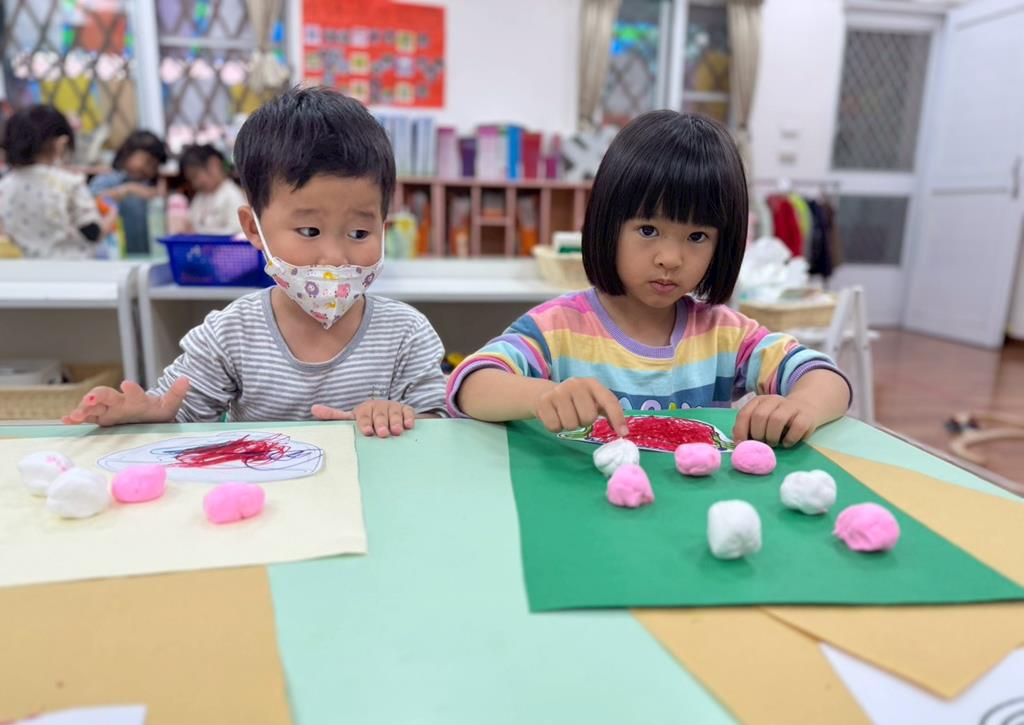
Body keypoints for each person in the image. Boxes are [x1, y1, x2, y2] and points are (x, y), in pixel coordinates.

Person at [448, 111, 851, 447]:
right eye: (648, 230)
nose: (670, 259)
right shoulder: (557, 330)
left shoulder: (726, 335)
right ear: (607, 224)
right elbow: (470, 384)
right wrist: (544, 395)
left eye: (697, 236)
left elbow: (824, 376)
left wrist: (802, 407)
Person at [64, 87, 448, 436]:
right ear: (253, 228)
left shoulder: (406, 334)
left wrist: (401, 417)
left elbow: (441, 425)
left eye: (360, 233)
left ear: (383, 227)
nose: (335, 257)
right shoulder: (231, 333)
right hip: (261, 488)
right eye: (310, 231)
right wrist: (147, 415)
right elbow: (178, 415)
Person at [0, 104, 115, 259]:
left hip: (26, 268)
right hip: (72, 267)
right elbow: (92, 232)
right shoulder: (68, 183)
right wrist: (111, 215)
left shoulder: (5, 186)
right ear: (61, 143)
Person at [89, 130, 168, 254]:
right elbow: (92, 203)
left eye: (154, 166)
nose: (148, 170)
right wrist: (128, 190)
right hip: (112, 254)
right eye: (147, 161)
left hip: (145, 254)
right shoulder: (107, 180)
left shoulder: (151, 187)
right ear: (128, 153)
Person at [178, 144, 247, 235]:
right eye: (191, 180)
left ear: (214, 164)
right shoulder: (200, 197)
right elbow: (190, 224)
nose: (195, 184)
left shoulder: (231, 195)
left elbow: (238, 232)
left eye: (195, 176)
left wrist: (199, 232)